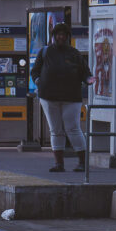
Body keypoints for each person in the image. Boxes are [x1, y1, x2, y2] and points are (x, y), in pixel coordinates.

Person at [30, 23, 94, 173]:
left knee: (73, 128)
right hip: (48, 96)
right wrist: (38, 81)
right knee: (56, 130)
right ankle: (59, 164)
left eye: (63, 35)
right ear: (53, 36)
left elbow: (85, 72)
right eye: (58, 34)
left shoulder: (75, 53)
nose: (60, 37)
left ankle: (82, 163)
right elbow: (35, 71)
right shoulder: (45, 52)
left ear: (67, 37)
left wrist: (88, 79)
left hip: (71, 97)